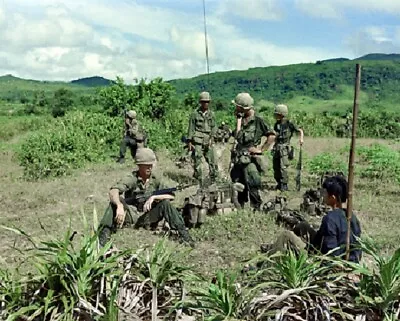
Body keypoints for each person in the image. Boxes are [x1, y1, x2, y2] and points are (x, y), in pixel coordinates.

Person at [99, 147, 194, 247]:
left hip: (148, 215)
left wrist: (154, 197)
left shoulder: (155, 179)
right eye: (146, 166)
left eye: (151, 165)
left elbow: (171, 195)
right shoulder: (132, 178)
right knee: (113, 204)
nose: (149, 168)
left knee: (166, 204)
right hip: (133, 214)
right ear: (139, 166)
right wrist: (119, 205)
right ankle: (103, 236)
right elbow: (114, 191)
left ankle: (184, 235)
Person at [261, 175, 362, 263]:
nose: (323, 196)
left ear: (333, 198)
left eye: (325, 193)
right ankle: (274, 247)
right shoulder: (352, 218)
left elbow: (330, 251)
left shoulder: (330, 219)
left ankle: (268, 264)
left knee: (286, 235)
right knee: (303, 226)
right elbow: (357, 248)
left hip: (328, 262)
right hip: (346, 259)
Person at [230, 93, 275, 210]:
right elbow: (237, 137)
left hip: (250, 159)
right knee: (238, 182)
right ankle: (241, 208)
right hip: (239, 158)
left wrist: (260, 150)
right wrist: (238, 122)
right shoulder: (240, 119)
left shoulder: (258, 121)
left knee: (252, 183)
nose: (235, 108)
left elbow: (271, 136)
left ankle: (256, 209)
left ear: (243, 108)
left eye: (237, 106)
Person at [187, 92, 218, 184]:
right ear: (200, 102)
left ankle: (214, 180)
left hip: (208, 139)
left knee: (213, 161)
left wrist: (212, 139)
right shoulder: (194, 114)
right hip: (198, 141)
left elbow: (214, 127)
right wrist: (189, 142)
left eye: (207, 102)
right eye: (204, 102)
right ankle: (198, 180)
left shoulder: (212, 114)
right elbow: (191, 128)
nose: (206, 104)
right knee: (198, 162)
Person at [271, 104, 304, 191]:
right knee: (276, 166)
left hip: (285, 148)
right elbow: (275, 136)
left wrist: (301, 139)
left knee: (283, 167)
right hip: (277, 147)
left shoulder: (290, 123)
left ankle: (284, 185)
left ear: (281, 114)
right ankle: (278, 183)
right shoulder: (276, 124)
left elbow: (300, 130)